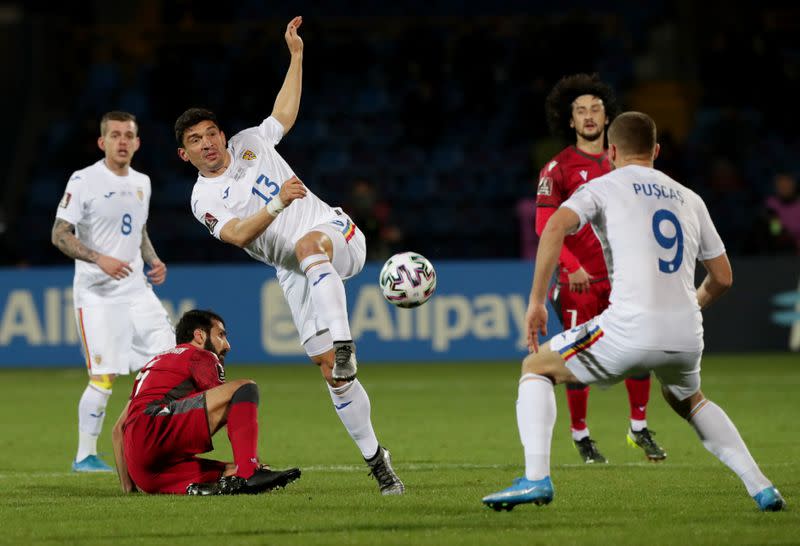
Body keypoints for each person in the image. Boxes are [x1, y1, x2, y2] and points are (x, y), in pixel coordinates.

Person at [482, 112, 786, 512]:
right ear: (656, 151)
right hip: (686, 333)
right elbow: (723, 277)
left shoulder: (604, 186)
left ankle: (536, 479)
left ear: (610, 151)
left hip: (628, 328)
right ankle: (762, 487)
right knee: (690, 400)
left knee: (536, 368)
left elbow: (554, 226)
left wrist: (537, 302)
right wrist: (692, 305)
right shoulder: (689, 197)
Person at [173, 16, 403, 495]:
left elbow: (283, 113)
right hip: (295, 271)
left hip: (335, 235)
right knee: (331, 377)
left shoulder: (249, 143)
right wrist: (278, 201)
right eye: (196, 140)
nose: (209, 143)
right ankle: (378, 461)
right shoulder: (203, 200)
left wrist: (296, 55)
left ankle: (345, 344)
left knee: (307, 245)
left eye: (212, 132)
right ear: (185, 154)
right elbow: (237, 234)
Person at [535, 73, 665, 463]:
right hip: (580, 284)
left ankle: (638, 428)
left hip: (625, 279)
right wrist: (569, 265)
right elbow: (545, 225)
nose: (589, 116)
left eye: (595, 109)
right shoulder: (557, 169)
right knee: (579, 358)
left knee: (640, 352)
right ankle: (581, 436)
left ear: (608, 117)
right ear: (570, 121)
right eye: (580, 111)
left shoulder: (626, 166)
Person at [51, 111, 176, 472]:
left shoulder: (142, 183)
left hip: (137, 291)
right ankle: (85, 456)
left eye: (129, 135)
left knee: (168, 362)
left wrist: (153, 260)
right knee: (104, 377)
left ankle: (155, 444)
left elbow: (138, 229)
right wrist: (98, 258)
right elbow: (59, 234)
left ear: (137, 143)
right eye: (115, 135)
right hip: (97, 295)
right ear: (101, 142)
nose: (122, 141)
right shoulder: (84, 180)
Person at [111, 309, 301, 495]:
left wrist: (129, 488)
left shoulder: (155, 364)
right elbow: (229, 405)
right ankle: (250, 472)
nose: (227, 345)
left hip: (146, 471)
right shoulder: (200, 355)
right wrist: (253, 465)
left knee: (232, 472)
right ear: (199, 336)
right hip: (155, 430)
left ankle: (225, 481)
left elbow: (118, 430)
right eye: (221, 335)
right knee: (244, 388)